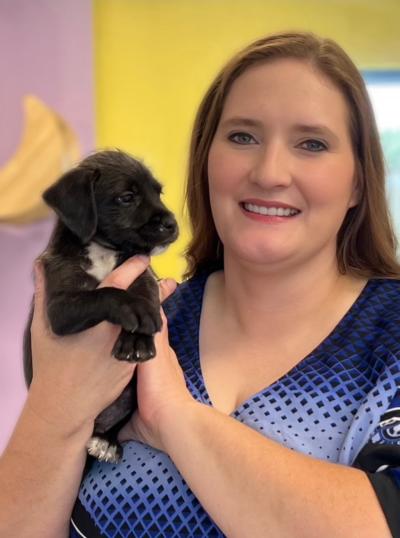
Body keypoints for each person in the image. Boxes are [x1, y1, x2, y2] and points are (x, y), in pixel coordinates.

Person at [0, 31, 399, 538]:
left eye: (312, 143)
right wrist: (55, 405)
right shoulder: (135, 316)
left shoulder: (391, 334)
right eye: (243, 137)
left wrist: (174, 417)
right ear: (206, 159)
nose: (271, 172)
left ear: (358, 182)